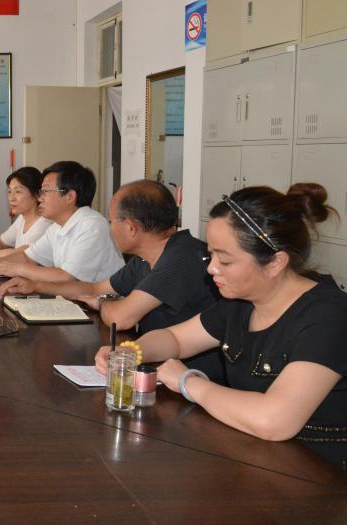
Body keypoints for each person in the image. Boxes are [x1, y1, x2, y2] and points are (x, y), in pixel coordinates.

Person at [94, 184, 347, 468]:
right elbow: (176, 339)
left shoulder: (328, 317)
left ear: (276, 262)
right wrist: (131, 352)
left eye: (224, 260)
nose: (211, 268)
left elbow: (274, 420)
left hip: (320, 473)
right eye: (211, 255)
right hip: (254, 456)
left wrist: (188, 382)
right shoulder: (241, 302)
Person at [1, 180, 221, 376]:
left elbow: (121, 317)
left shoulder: (181, 257)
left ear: (131, 227)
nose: (110, 228)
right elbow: (94, 289)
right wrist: (36, 286)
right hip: (156, 366)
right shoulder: (144, 258)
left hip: (192, 378)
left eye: (112, 221)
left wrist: (103, 303)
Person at [0, 160, 124, 283]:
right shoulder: (57, 227)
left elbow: (67, 277)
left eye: (46, 191)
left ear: (70, 196)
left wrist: (16, 269)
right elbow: (28, 257)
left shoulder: (92, 226)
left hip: (103, 308)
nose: (40, 198)